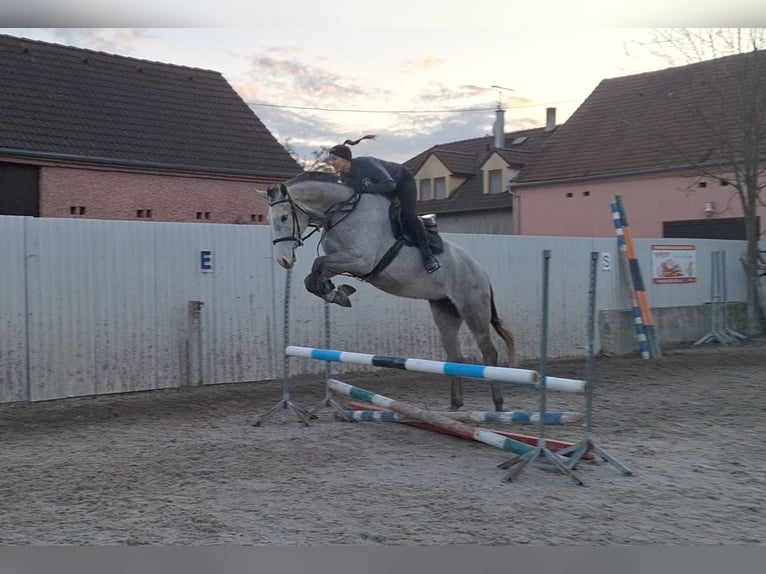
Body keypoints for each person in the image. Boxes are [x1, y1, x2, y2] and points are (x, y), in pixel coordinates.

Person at [327, 135, 441, 274]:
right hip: (384, 189)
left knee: (408, 215)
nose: (331, 163)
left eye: (334, 159)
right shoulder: (345, 177)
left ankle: (428, 257)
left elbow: (389, 184)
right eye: (330, 159)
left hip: (402, 181)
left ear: (345, 159)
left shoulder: (365, 163)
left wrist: (369, 189)